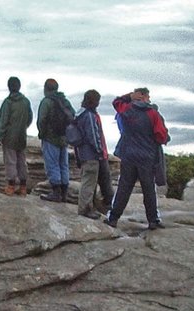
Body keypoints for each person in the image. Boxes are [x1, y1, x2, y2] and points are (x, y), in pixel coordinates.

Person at [104, 88, 170, 230]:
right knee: (148, 189)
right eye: (148, 96)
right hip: (147, 157)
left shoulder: (126, 109)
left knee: (124, 187)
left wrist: (129, 96)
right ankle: (153, 220)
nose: (150, 99)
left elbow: (116, 102)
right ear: (144, 96)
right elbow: (161, 136)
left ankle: (113, 218)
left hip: (128, 155)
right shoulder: (153, 113)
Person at [72, 89, 113, 219]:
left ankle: (90, 206)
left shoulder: (79, 114)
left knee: (90, 182)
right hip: (91, 155)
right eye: (97, 101)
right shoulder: (89, 115)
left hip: (83, 153)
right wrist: (99, 150)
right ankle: (85, 209)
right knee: (89, 183)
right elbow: (93, 136)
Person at [36, 78, 76, 202]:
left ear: (45, 88)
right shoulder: (64, 101)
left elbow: (41, 120)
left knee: (52, 164)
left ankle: (55, 192)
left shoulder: (46, 101)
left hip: (50, 138)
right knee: (63, 165)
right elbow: (73, 115)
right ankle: (64, 193)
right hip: (63, 138)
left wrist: (42, 134)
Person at [0, 77, 33, 196]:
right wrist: (23, 127)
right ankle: (23, 187)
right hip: (22, 136)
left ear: (9, 87)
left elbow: (3, 120)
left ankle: (10, 186)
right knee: (22, 161)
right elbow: (30, 118)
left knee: (10, 161)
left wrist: (0, 135)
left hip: (9, 136)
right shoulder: (26, 101)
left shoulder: (8, 102)